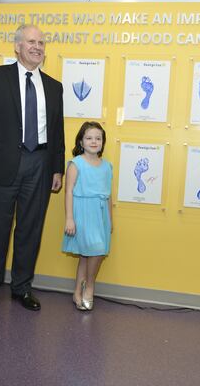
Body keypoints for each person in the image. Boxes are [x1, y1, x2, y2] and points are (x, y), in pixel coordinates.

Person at [0, 24, 65, 317]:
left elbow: (58, 131)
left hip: (40, 163)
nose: (37, 47)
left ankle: (22, 287)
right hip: (2, 166)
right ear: (17, 46)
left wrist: (57, 169)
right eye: (31, 42)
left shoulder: (54, 86)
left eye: (41, 43)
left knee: (30, 230)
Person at [62, 122, 113, 311]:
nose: (94, 141)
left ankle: (77, 291)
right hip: (82, 212)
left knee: (87, 255)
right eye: (89, 138)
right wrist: (69, 218)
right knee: (95, 250)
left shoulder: (107, 166)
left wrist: (110, 219)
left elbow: (108, 195)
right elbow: (68, 192)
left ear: (102, 142)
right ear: (81, 142)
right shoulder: (76, 163)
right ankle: (90, 286)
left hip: (101, 215)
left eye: (98, 138)